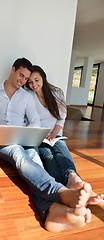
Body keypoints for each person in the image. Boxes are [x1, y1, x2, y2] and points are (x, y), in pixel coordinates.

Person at [0, 58, 92, 233]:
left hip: (24, 139)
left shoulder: (27, 96)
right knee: (19, 155)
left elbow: (35, 121)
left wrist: (27, 134)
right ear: (12, 70)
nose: (22, 81)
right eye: (21, 75)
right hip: (2, 141)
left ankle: (51, 212)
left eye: (26, 79)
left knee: (35, 161)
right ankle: (59, 191)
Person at [26, 65, 104, 213]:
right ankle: (75, 190)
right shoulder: (28, 96)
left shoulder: (56, 93)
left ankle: (74, 179)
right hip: (39, 137)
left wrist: (54, 134)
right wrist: (42, 135)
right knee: (48, 158)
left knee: (61, 152)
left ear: (43, 77)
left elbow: (61, 118)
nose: (33, 84)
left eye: (36, 80)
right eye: (30, 82)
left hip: (56, 134)